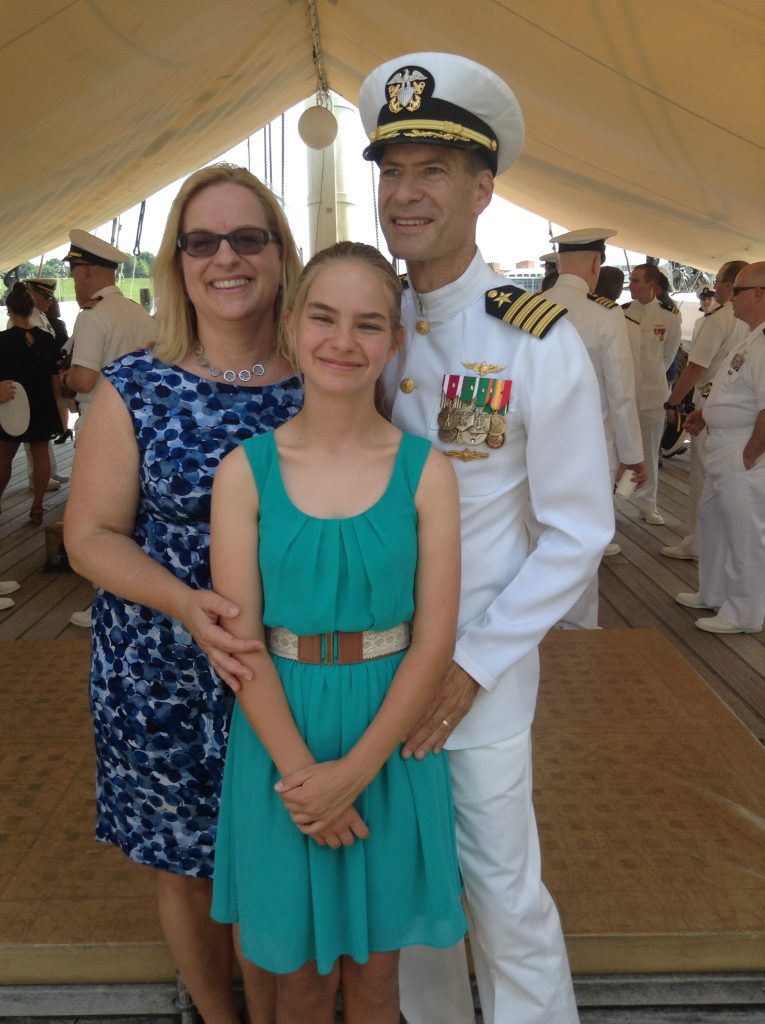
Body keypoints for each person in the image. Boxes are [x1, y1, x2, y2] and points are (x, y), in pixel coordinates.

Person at [359, 51, 614, 1024]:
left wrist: (471, 664)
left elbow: (578, 528)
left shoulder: (532, 339)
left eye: (430, 169)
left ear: (482, 187)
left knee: (502, 891)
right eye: (393, 170)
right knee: (417, 901)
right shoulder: (371, 323)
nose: (405, 192)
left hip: (480, 666)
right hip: (374, 655)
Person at [64, 164, 304, 1024]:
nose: (225, 258)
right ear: (176, 262)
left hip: (294, 665)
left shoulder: (329, 375)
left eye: (248, 237)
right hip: (164, 662)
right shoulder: (137, 384)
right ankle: (219, 1015)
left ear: (280, 254)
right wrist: (183, 605)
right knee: (185, 862)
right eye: (201, 242)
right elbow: (89, 534)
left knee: (282, 853)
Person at [210, 241, 466, 1024]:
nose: (342, 342)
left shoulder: (425, 470)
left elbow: (432, 639)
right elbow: (240, 644)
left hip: (385, 736)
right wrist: (307, 784)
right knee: (302, 982)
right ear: (291, 326)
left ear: (394, 340)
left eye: (367, 324)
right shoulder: (244, 472)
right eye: (323, 317)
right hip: (280, 737)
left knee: (376, 979)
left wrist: (355, 770)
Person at [60, 230, 156, 627]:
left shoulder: (93, 317)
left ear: (85, 271)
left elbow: (83, 380)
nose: (75, 279)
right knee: (139, 520)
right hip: (147, 430)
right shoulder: (137, 314)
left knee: (100, 526)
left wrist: (60, 380)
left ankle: (103, 605)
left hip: (102, 430)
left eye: (76, 271)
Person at [545, 230, 646, 579]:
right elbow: (621, 393)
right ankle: (579, 625)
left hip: (535, 445)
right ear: (595, 264)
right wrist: (632, 456)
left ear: (559, 263)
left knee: (540, 539)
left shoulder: (530, 309)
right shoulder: (605, 315)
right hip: (590, 449)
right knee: (583, 543)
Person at [675, 261, 765, 635]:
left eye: (738, 291)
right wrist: (705, 415)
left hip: (743, 448)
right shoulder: (750, 337)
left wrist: (751, 454)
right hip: (722, 441)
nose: (730, 298)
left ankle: (744, 612)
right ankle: (714, 592)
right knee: (712, 520)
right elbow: (733, 391)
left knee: (744, 531)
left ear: (760, 294)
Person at [660, 261, 749, 560]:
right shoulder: (749, 324)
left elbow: (697, 366)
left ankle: (698, 543)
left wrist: (673, 401)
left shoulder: (718, 320)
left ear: (725, 285)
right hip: (742, 413)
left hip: (712, 405)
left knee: (703, 479)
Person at [623, 262, 682, 525]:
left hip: (653, 393)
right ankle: (614, 501)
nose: (631, 285)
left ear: (651, 284)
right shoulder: (620, 313)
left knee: (650, 449)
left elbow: (669, 356)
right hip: (625, 393)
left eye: (636, 280)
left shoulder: (669, 316)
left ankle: (648, 504)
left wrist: (653, 376)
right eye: (631, 280)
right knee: (618, 447)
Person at [0, 282, 63, 525]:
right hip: (42, 403)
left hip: (12, 404)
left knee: (4, 458)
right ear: (30, 308)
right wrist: (58, 407)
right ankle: (37, 506)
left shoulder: (2, 341)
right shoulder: (47, 339)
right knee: (40, 455)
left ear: (9, 310)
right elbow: (54, 379)